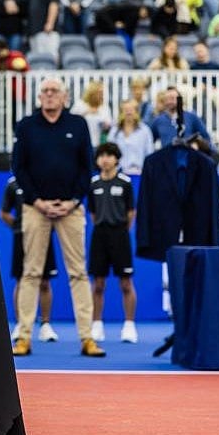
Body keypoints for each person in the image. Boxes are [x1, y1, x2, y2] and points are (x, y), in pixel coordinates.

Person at [10, 77, 104, 357]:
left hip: (70, 209)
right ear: (39, 97)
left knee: (78, 273)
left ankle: (87, 338)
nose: (49, 95)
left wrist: (73, 201)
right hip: (35, 208)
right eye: (45, 91)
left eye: (54, 91)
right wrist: (37, 201)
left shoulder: (78, 124)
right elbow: (18, 167)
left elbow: (87, 168)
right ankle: (24, 337)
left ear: (65, 97)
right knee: (30, 272)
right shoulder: (26, 126)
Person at [87, 143, 138, 344]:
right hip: (99, 235)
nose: (105, 159)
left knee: (125, 282)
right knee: (98, 283)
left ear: (116, 159)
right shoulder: (93, 184)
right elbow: (92, 213)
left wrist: (121, 230)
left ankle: (129, 326)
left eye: (109, 155)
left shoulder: (125, 183)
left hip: (120, 235)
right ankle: (96, 325)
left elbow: (131, 213)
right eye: (101, 156)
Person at [0, 176, 59, 343]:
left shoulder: (46, 181)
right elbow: (4, 213)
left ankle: (45, 325)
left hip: (44, 235)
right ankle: (21, 324)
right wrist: (19, 227)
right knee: (22, 280)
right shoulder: (12, 185)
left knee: (45, 282)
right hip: (22, 237)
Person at [107, 99, 155, 174]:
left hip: (140, 173)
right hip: (119, 173)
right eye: (126, 110)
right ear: (121, 112)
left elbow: (150, 153)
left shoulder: (145, 130)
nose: (128, 112)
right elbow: (109, 152)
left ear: (136, 112)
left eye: (131, 109)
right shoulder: (114, 131)